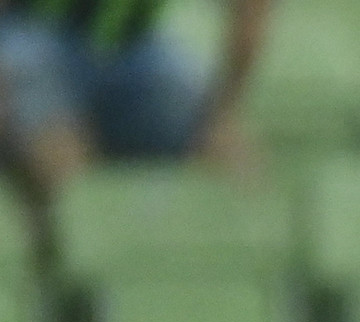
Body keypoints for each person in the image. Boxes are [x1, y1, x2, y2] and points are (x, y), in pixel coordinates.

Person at [0, 0, 271, 206]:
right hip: (28, 32)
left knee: (225, 146)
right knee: (35, 91)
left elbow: (251, 13)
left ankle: (248, 260)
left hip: (132, 47)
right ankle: (83, 254)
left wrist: (221, 115)